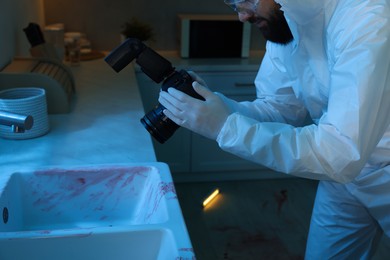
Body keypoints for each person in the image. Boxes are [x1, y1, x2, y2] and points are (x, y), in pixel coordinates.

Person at [158, 0, 390, 258]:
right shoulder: (288, 21)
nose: (242, 16)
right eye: (232, 5)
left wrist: (226, 127)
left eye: (243, 1)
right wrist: (215, 105)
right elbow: (279, 107)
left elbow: (341, 151)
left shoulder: (368, 19)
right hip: (343, 180)